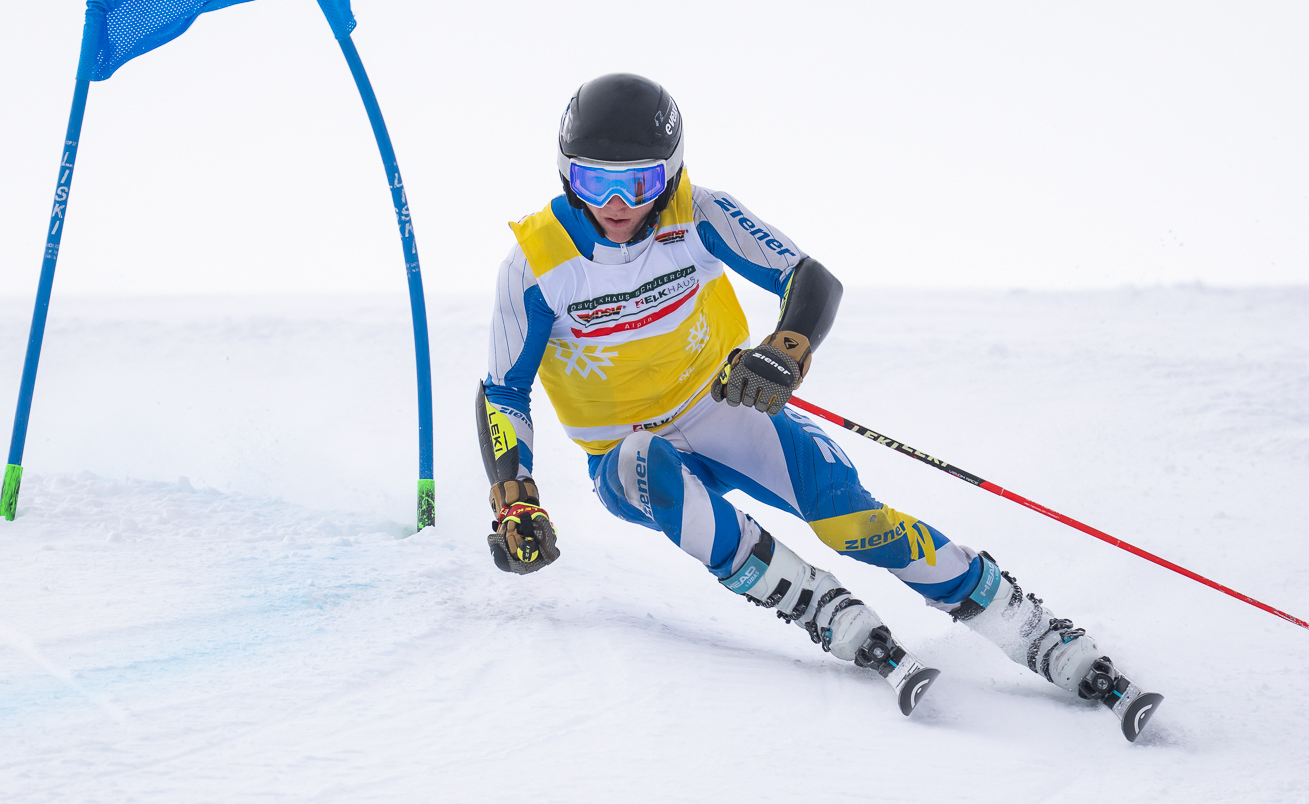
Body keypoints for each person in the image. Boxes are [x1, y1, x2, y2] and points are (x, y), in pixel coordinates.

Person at [474, 73, 1161, 741]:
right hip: (623, 453)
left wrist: (785, 350)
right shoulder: (534, 264)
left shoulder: (699, 213)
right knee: (645, 461)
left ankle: (1033, 629)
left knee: (851, 519)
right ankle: (816, 604)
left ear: (673, 173)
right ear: (565, 173)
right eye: (596, 181)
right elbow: (504, 390)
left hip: (721, 407)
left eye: (642, 181)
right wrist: (515, 497)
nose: (618, 203)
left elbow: (809, 278)